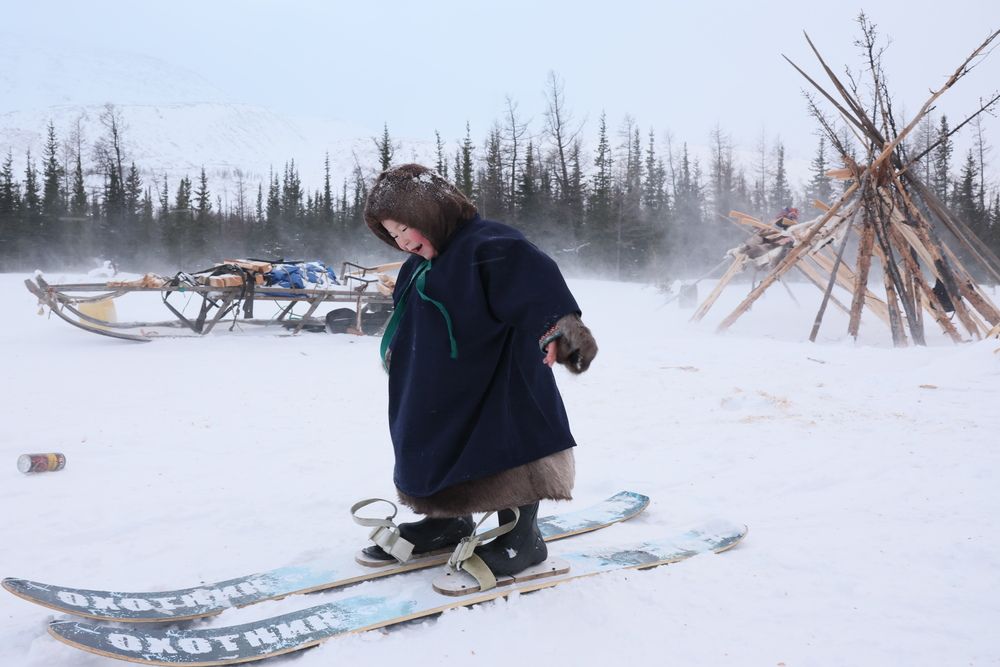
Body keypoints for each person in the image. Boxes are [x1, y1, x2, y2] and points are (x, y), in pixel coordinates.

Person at [360, 163, 598, 580]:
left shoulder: (490, 245)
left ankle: (524, 536)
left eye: (404, 229)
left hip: (497, 379)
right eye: (391, 235)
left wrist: (561, 328)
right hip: (435, 386)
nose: (400, 242)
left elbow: (535, 284)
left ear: (428, 214)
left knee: (508, 443)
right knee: (428, 442)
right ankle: (447, 520)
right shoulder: (416, 265)